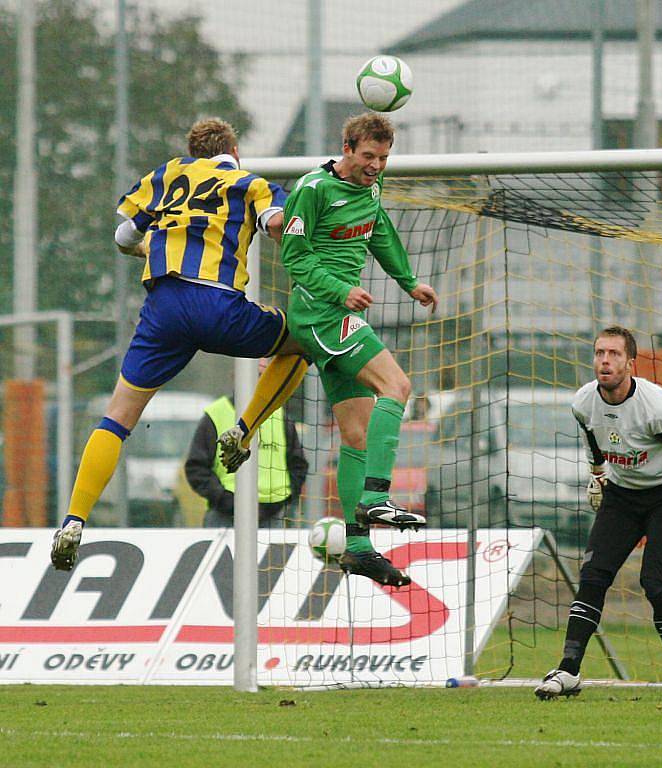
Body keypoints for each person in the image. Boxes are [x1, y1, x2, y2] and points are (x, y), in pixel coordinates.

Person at [50, 117, 309, 571]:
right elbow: (277, 225)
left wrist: (145, 248)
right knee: (303, 341)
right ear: (234, 151)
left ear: (194, 150)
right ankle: (243, 431)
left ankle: (74, 519)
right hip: (219, 306)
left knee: (117, 417)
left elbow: (124, 236)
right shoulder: (250, 183)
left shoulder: (168, 175)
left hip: (163, 310)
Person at [277, 112, 438, 587]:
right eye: (368, 156)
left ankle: (360, 545)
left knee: (355, 435)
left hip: (339, 316)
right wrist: (338, 290)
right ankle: (376, 495)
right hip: (321, 313)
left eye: (384, 158)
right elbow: (294, 255)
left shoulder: (370, 189)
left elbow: (380, 231)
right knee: (398, 385)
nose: (376, 166)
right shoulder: (312, 188)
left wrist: (409, 282)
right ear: (347, 148)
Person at [534, 325, 662, 704]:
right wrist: (597, 476)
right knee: (593, 575)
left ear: (630, 363)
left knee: (655, 581)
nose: (605, 360)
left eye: (614, 354)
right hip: (622, 496)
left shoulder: (657, 406)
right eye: (600, 352)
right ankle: (568, 669)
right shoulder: (583, 402)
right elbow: (592, 439)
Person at [185, 389, 308, 528]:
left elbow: (299, 465)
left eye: (263, 374)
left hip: (273, 516)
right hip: (224, 517)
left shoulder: (279, 416)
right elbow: (196, 468)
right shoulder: (216, 414)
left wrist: (282, 500)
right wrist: (224, 499)